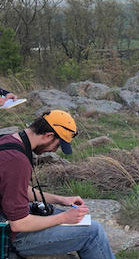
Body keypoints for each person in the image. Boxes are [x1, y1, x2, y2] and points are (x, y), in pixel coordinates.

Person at [0, 110, 115, 258]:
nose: (55, 150)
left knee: (77, 219)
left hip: (6, 215)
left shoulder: (9, 141)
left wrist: (61, 199)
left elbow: (17, 189)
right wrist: (64, 218)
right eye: (58, 145)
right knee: (92, 232)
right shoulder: (16, 160)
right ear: (48, 135)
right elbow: (19, 224)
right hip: (9, 234)